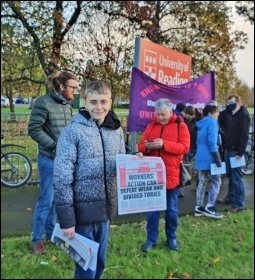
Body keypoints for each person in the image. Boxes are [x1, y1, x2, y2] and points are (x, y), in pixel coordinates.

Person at [53, 80, 126, 279]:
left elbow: (118, 162)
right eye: (93, 102)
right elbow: (61, 179)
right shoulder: (72, 132)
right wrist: (67, 220)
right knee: (87, 268)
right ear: (84, 102)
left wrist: (133, 160)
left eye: (103, 101)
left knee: (100, 263)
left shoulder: (116, 130)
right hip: (82, 214)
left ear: (110, 103)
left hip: (105, 212)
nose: (99, 107)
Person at [28, 71, 78, 254]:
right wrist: (54, 146)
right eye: (73, 87)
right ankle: (36, 238)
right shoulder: (43, 102)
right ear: (62, 86)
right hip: (49, 159)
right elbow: (34, 129)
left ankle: (51, 233)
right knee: (46, 200)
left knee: (58, 200)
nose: (75, 90)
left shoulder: (67, 105)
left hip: (65, 161)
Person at [137, 98, 190, 252]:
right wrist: (145, 148)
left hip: (171, 174)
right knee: (152, 211)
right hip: (153, 174)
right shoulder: (151, 126)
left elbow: (184, 147)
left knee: (172, 210)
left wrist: (164, 144)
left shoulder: (181, 126)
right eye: (158, 114)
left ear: (170, 112)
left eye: (163, 115)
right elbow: (140, 145)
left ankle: (171, 238)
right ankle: (151, 239)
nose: (160, 117)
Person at [217, 94, 250, 212]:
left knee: (237, 178)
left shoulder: (243, 115)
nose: (229, 104)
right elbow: (220, 117)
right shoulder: (229, 114)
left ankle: (239, 204)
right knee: (230, 176)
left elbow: (244, 135)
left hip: (236, 152)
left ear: (238, 102)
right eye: (228, 102)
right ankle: (230, 197)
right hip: (228, 150)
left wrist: (240, 152)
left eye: (231, 102)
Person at [194, 103, 223, 219]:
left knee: (202, 183)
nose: (218, 114)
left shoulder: (201, 124)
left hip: (200, 158)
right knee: (217, 182)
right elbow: (212, 142)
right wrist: (217, 158)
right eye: (217, 111)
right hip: (210, 158)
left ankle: (199, 207)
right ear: (211, 113)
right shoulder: (212, 122)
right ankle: (210, 207)